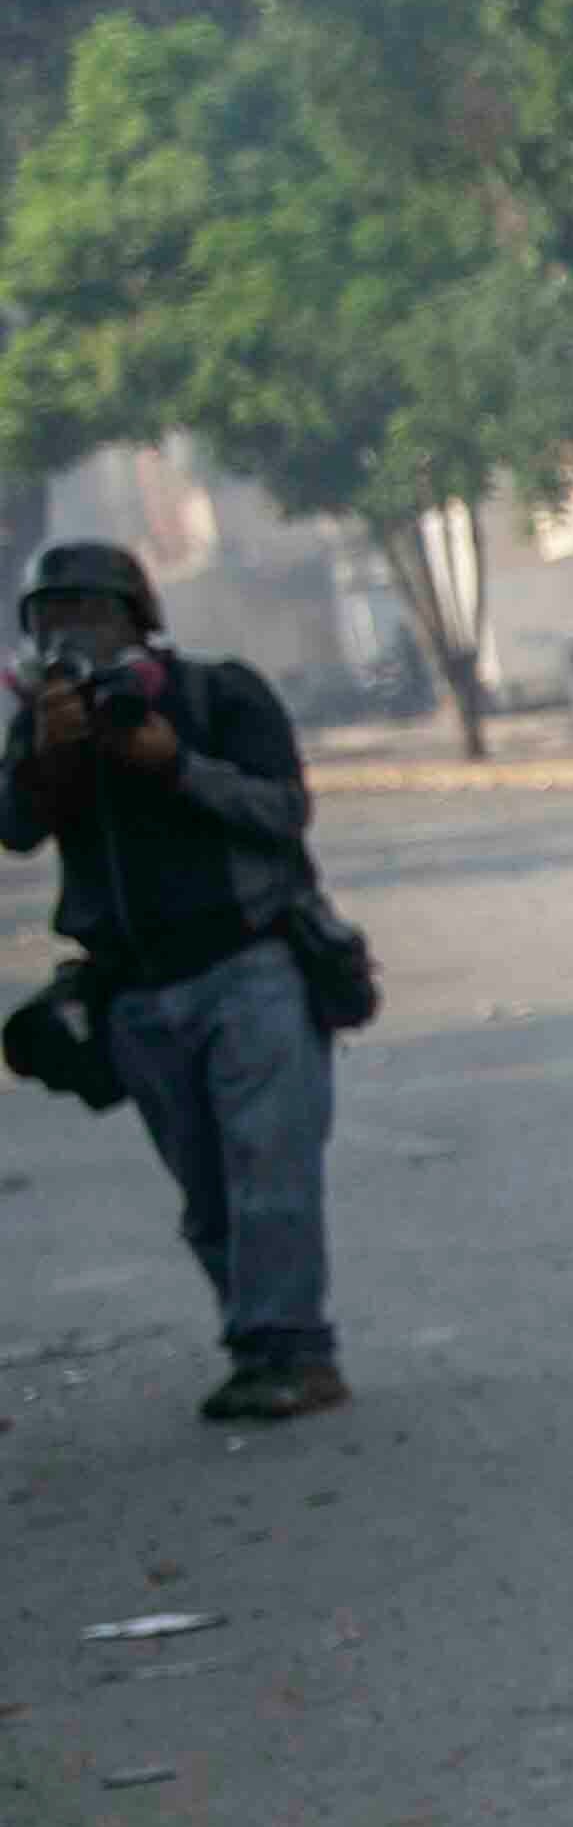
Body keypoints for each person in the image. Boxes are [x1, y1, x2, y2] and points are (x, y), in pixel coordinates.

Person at [3, 544, 345, 1424]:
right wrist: (50, 755)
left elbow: (282, 810)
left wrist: (174, 763)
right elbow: (15, 830)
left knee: (269, 1169)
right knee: (208, 1193)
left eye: (92, 612)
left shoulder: (217, 696)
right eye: (52, 616)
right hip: (137, 994)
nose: (72, 633)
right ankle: (263, 1339)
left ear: (138, 621)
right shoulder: (42, 723)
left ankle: (288, 1350)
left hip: (251, 967)